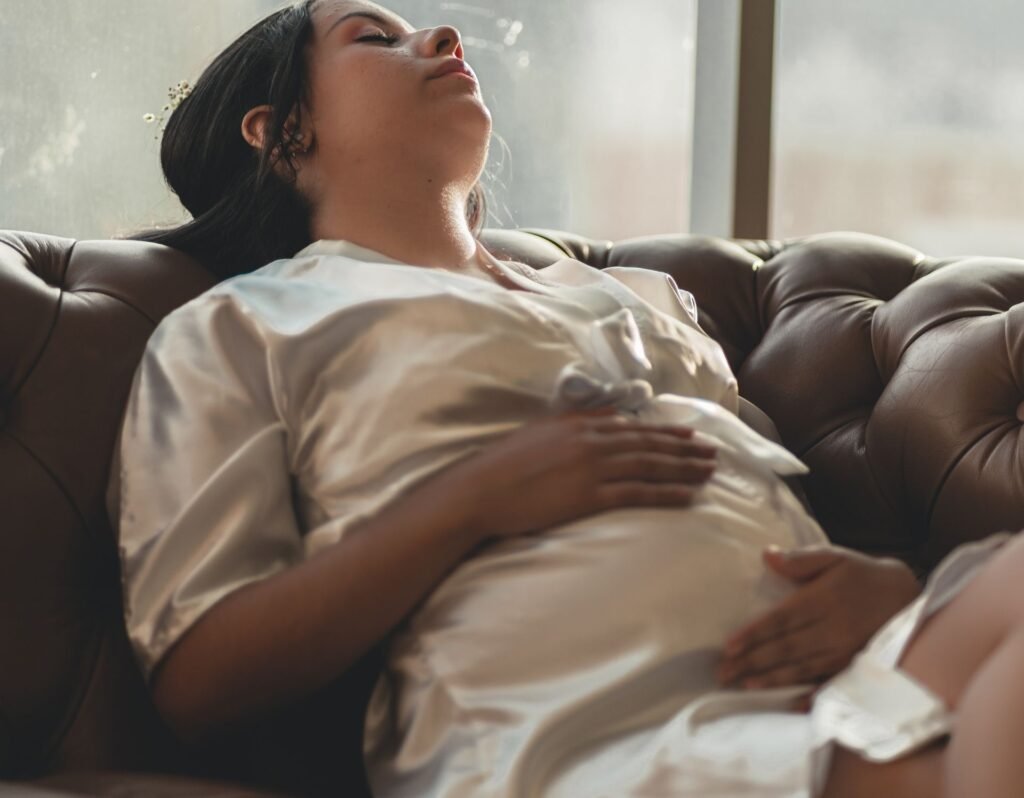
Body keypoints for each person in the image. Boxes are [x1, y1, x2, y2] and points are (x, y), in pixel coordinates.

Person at [111, 1, 1023, 795]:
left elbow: (761, 508)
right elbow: (198, 676)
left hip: (836, 689)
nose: (440, 36)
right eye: (373, 38)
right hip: (590, 741)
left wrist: (885, 592)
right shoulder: (242, 328)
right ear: (278, 134)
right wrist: (474, 499)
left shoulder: (630, 301)